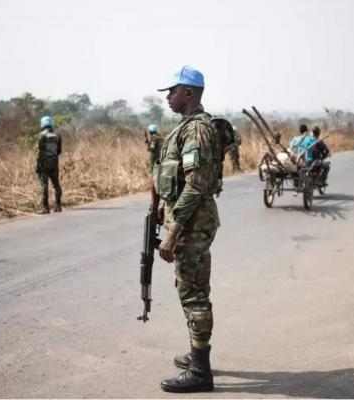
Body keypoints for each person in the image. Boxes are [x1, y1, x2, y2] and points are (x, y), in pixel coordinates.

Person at [154, 66, 221, 393]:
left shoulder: (196, 130)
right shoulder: (184, 129)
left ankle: (200, 372)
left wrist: (173, 231)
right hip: (188, 223)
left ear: (189, 93)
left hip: (191, 226)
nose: (168, 97)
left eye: (172, 91)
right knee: (189, 287)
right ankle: (197, 355)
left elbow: (196, 186)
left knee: (193, 292)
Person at [35, 116, 62, 214]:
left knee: (44, 186)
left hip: (43, 164)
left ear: (42, 124)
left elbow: (39, 149)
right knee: (56, 185)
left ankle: (45, 208)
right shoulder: (57, 135)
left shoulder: (41, 135)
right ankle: (58, 206)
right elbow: (59, 151)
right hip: (54, 163)